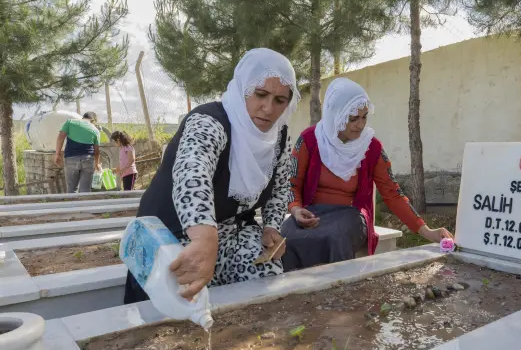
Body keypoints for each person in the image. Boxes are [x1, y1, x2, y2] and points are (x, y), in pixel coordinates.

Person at [124, 48, 299, 304]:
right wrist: (204, 239)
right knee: (181, 306)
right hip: (176, 233)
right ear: (242, 89)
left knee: (265, 276)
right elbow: (192, 174)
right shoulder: (209, 121)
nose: (269, 108)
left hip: (230, 231)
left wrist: (272, 226)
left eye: (280, 100)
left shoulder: (279, 136)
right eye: (260, 94)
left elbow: (280, 186)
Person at [281, 77, 454, 271]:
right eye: (353, 118)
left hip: (351, 217)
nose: (360, 125)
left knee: (337, 236)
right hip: (311, 214)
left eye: (364, 117)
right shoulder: (309, 140)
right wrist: (296, 209)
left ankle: (338, 292)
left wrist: (427, 231)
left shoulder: (371, 148)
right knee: (286, 234)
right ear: (335, 114)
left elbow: (392, 193)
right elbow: (291, 183)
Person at [54, 112, 101, 193]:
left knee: (72, 189)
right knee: (85, 190)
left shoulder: (70, 122)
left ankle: (72, 205)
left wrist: (57, 154)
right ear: (93, 121)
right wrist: (96, 164)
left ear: (83, 117)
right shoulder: (96, 130)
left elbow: (61, 137)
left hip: (71, 159)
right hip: (88, 160)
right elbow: (96, 151)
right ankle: (84, 205)